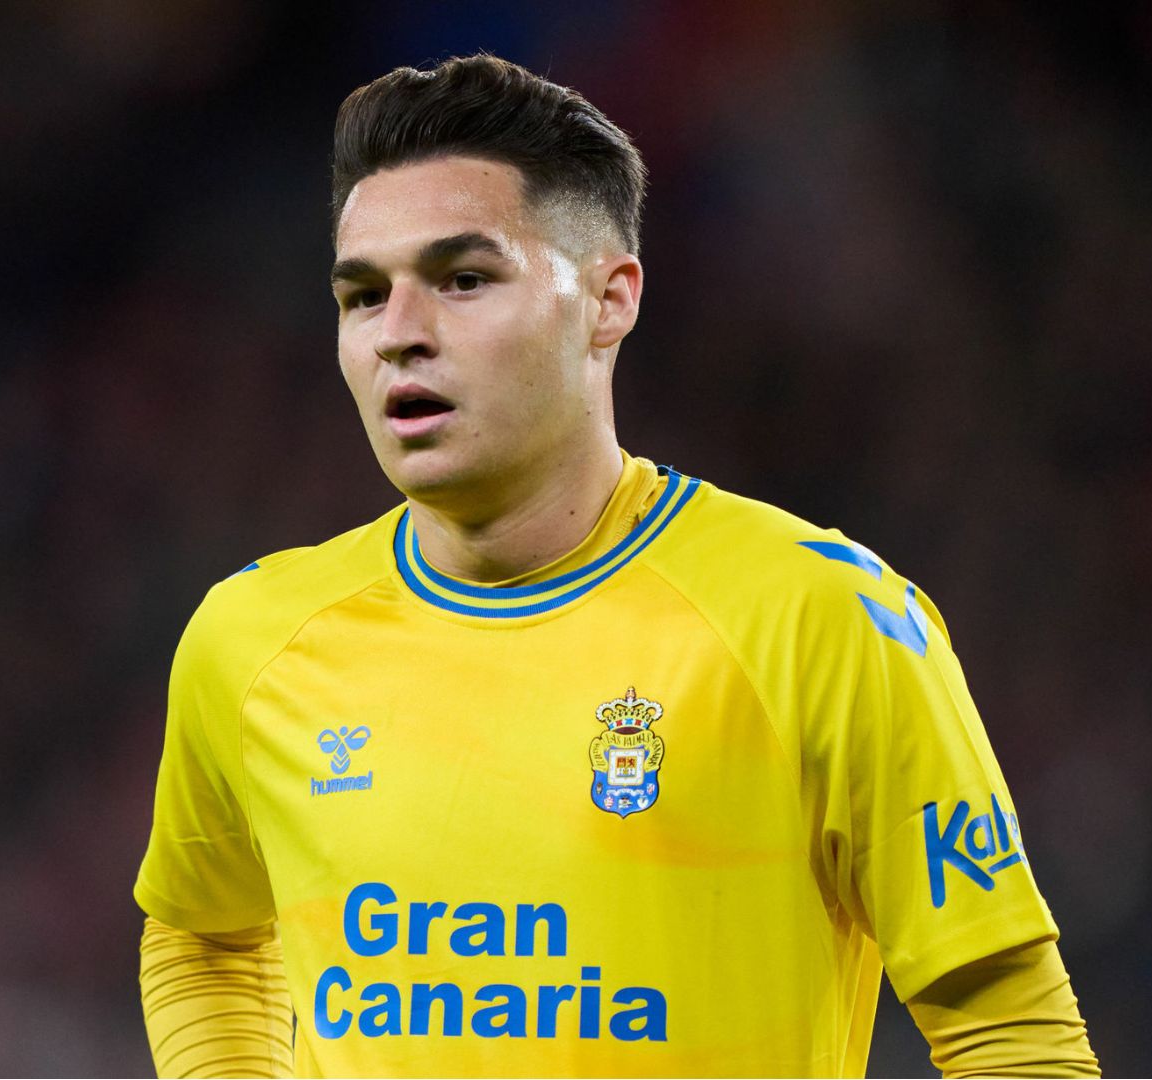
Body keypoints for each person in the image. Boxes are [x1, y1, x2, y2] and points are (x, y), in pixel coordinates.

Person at [134, 54, 1099, 1078]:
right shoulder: (253, 639)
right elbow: (200, 936)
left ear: (608, 299)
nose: (399, 336)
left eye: (463, 280)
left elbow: (1008, 1031)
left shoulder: (817, 618)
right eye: (363, 295)